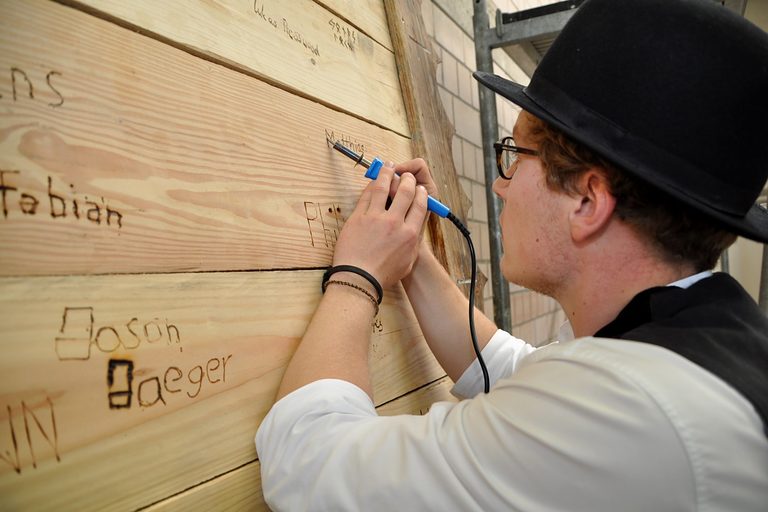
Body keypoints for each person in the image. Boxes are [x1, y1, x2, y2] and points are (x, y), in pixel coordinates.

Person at [256, 0, 768, 509]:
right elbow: (511, 369)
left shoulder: (630, 412)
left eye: (514, 154)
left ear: (587, 201)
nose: (500, 187)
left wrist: (358, 275)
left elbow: (306, 464)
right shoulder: (689, 347)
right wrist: (411, 253)